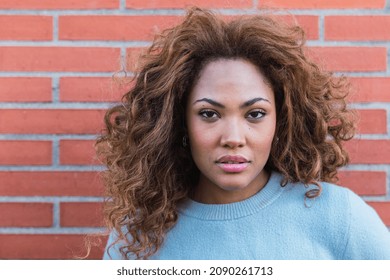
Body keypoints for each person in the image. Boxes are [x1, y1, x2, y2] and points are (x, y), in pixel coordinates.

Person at [99, 7, 390, 260]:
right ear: (178, 122)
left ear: (282, 122)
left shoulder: (339, 216)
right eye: (209, 114)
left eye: (255, 114)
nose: (234, 137)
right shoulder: (136, 235)